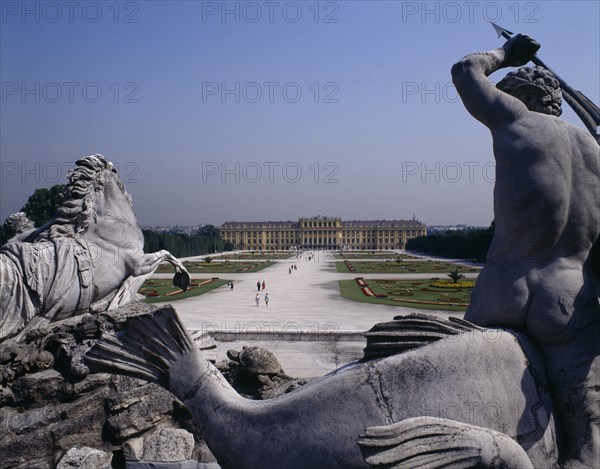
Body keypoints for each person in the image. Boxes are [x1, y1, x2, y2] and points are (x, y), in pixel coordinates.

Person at [452, 33, 600, 467]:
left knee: (466, 405)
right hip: (569, 301)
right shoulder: (595, 153)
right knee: (587, 434)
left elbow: (465, 71)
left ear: (517, 97)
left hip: (505, 289)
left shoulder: (515, 119)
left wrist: (504, 54)